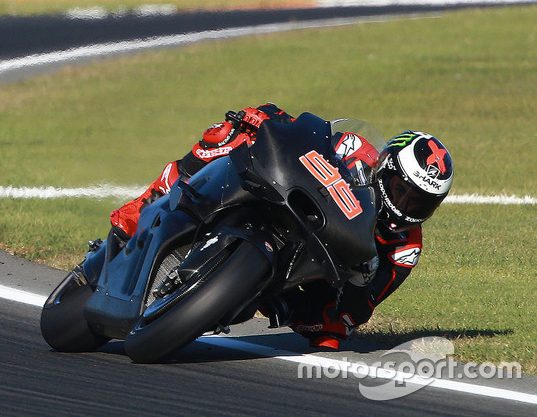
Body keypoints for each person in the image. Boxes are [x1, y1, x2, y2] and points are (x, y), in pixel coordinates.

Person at [107, 103, 454, 350]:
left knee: (330, 334)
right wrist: (267, 121)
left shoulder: (405, 246)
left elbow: (357, 311)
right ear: (385, 168)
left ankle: (259, 295)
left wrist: (363, 279)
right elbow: (303, 137)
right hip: (285, 199)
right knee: (233, 131)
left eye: (418, 202)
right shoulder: (355, 148)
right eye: (400, 189)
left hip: (315, 270)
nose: (405, 205)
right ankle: (149, 201)